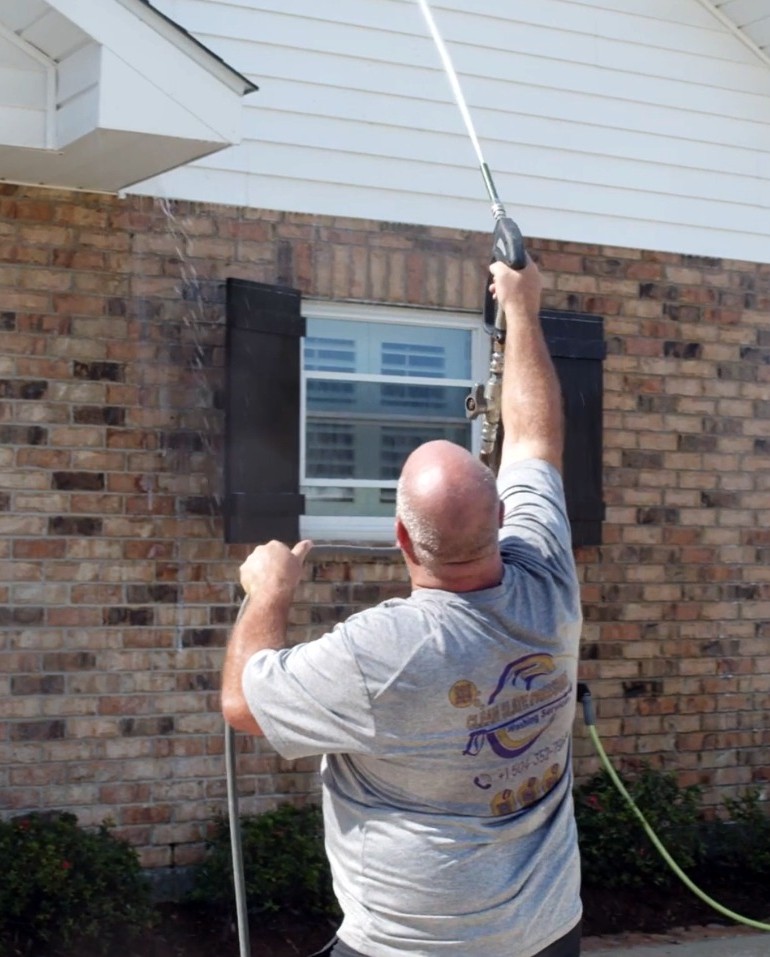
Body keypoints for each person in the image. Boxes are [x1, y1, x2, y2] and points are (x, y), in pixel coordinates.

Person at [222, 256, 583, 957]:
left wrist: (269, 592)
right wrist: (524, 308)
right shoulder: (548, 578)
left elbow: (243, 699)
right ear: (504, 515)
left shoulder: (382, 652)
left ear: (399, 537)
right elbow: (537, 439)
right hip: (546, 933)